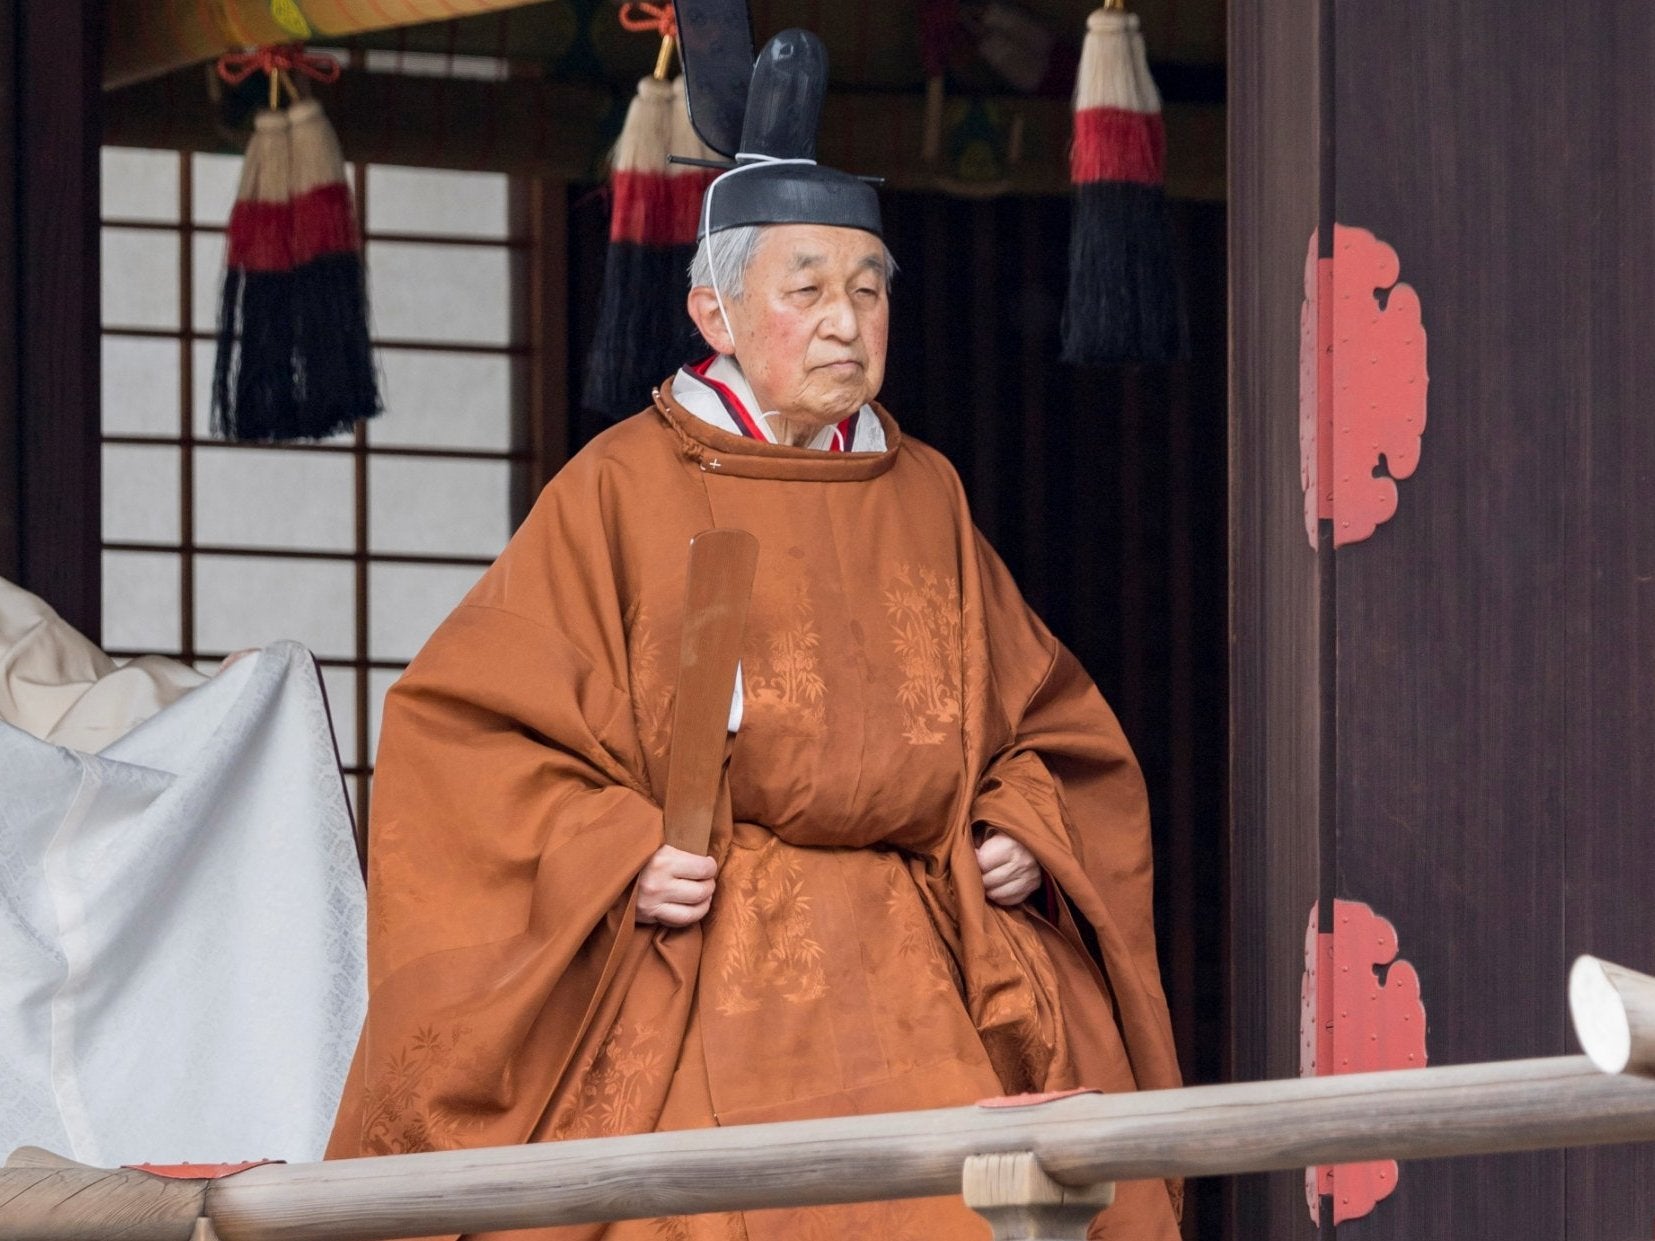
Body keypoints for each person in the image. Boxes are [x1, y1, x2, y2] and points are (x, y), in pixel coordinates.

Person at [327, 27, 1182, 1241]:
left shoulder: (921, 488)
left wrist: (1023, 826)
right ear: (713, 312)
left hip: (915, 960)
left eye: (869, 290)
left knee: (977, 1210)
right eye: (808, 290)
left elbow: (1038, 719)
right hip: (695, 958)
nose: (846, 324)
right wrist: (616, 849)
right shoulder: (621, 486)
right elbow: (464, 735)